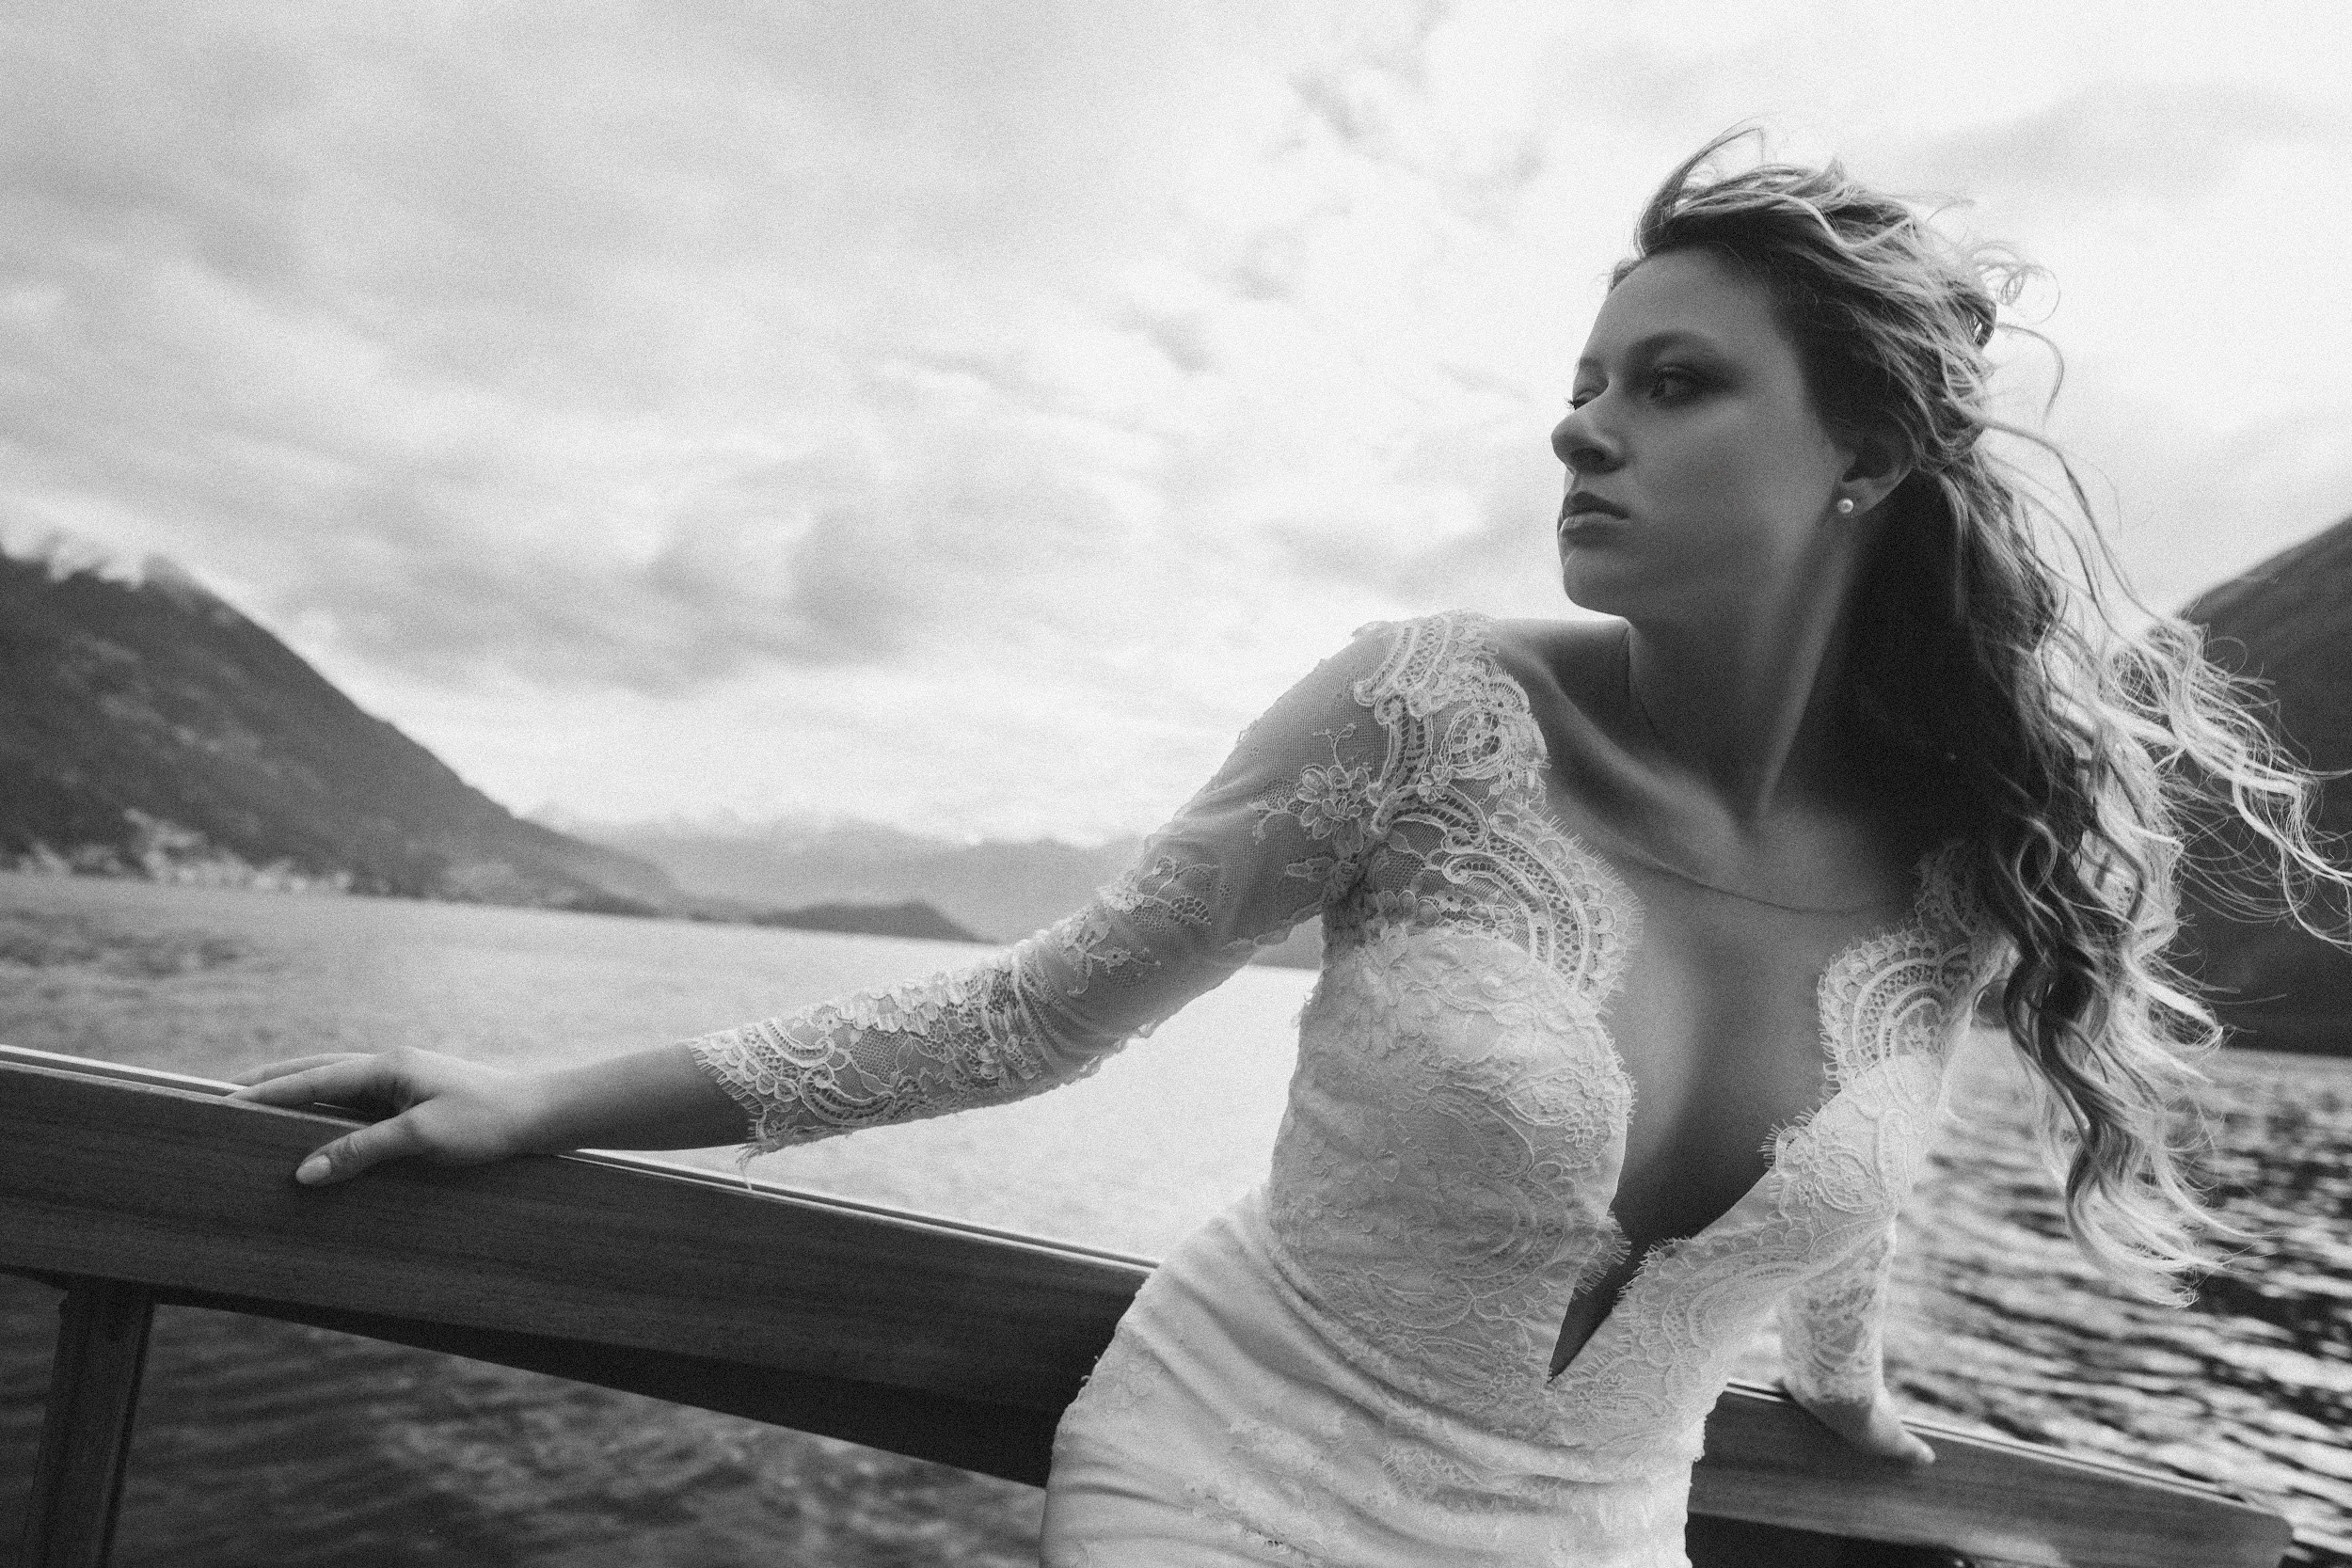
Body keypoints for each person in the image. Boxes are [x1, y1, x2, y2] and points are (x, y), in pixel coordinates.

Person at [229, 133, 2350, 1567]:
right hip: (1227, 1484)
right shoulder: (1422, 710)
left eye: (1672, 382)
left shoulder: (1965, 852)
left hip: (1591, 1538)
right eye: (1582, 377)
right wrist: (531, 1098)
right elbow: (1026, 1018)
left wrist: (1843, 1382)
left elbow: (1837, 1173)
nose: (1577, 425)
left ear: (1868, 452)